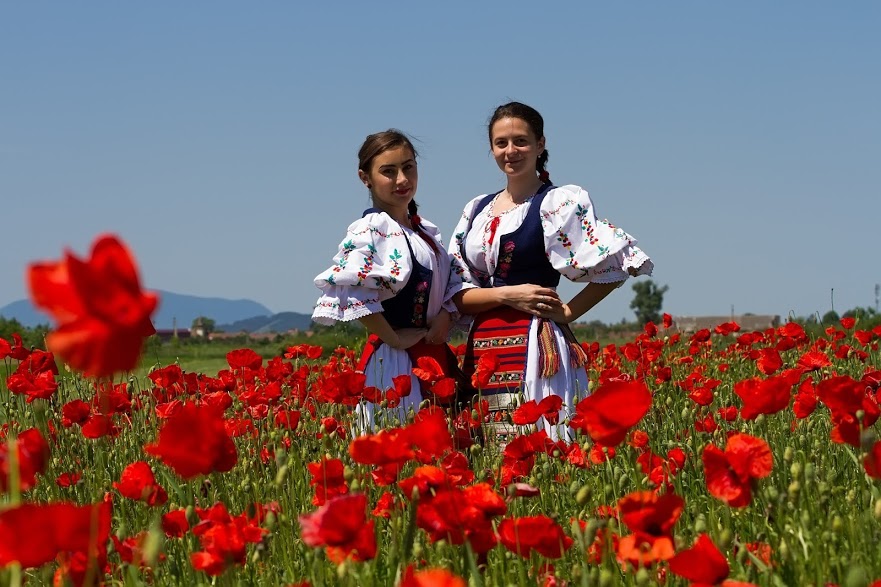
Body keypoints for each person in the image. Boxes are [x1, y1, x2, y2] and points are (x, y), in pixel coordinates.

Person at [450, 102, 653, 439]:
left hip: (535, 342)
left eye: (521, 141)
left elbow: (617, 264)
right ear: (491, 149)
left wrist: (569, 312)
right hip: (483, 347)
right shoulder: (477, 209)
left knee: (537, 441)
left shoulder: (557, 203)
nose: (511, 151)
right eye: (501, 143)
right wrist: (506, 295)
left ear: (540, 144)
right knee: (485, 451)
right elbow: (455, 291)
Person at [312, 129, 465, 432]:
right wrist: (393, 338)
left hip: (431, 356)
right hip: (395, 363)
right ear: (365, 177)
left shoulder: (423, 231)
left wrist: (445, 316)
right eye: (388, 171)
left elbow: (449, 284)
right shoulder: (372, 229)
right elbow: (352, 290)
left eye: (408, 167)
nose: (402, 179)